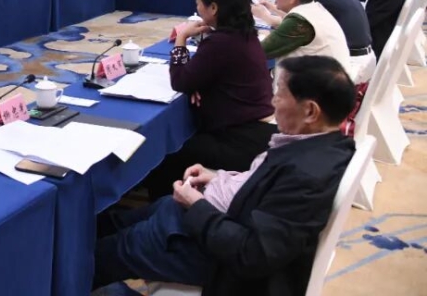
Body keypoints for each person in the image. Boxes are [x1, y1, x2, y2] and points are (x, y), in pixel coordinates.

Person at [93, 55, 356, 296]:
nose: (272, 101)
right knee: (115, 222)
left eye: (279, 93)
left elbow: (252, 254)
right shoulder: (321, 144)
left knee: (102, 256)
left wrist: (196, 205)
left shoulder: (306, 176)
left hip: (216, 254)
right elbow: (260, 186)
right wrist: (217, 177)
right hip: (211, 218)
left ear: (310, 111)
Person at [142, 0, 275, 200]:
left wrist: (181, 38)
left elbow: (180, 80)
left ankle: (167, 210)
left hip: (242, 141)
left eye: (198, 3)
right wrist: (199, 83)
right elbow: (199, 76)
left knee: (164, 153)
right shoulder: (244, 33)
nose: (197, 8)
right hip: (259, 133)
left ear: (213, 8)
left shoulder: (220, 43)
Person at [295, 0, 375, 80]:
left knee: (293, 64)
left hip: (351, 65)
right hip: (365, 59)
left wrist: (269, 17)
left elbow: (297, 28)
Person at [252, 0, 350, 70]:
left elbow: (260, 51)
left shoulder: (299, 20)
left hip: (322, 78)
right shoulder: (314, 9)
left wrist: (259, 35)